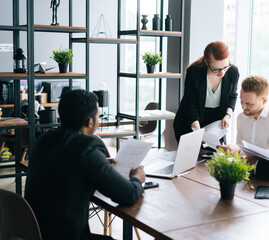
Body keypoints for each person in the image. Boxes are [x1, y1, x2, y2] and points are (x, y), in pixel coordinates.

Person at [25, 90, 145, 240]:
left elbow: (65, 165)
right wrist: (136, 178)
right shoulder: (86, 147)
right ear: (90, 122)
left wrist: (98, 163)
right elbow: (128, 195)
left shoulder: (43, 140)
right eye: (98, 116)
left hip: (35, 234)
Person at [173, 41, 239, 142]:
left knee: (215, 155)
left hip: (215, 125)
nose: (222, 72)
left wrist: (227, 115)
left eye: (225, 67)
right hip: (191, 121)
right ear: (207, 62)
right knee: (192, 155)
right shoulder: (194, 72)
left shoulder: (233, 72)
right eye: (216, 69)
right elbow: (191, 104)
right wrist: (198, 132)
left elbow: (232, 96)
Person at [220, 75, 269, 153]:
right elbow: (240, 147)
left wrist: (239, 151)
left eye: (249, 103)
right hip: (247, 164)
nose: (243, 107)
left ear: (264, 101)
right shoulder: (241, 117)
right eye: (241, 101)